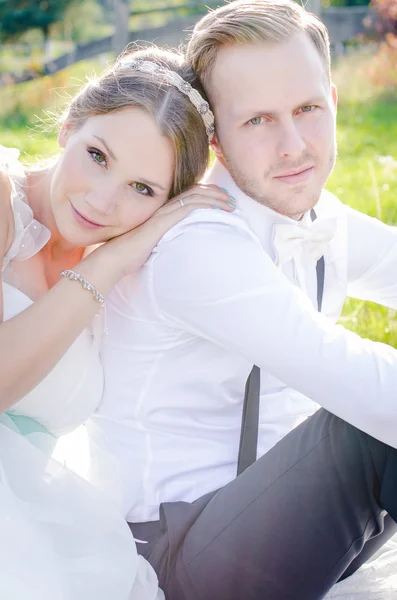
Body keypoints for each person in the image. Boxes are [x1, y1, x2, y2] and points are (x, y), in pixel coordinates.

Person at [87, 2, 397, 599]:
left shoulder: (315, 215)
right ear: (216, 141)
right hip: (175, 555)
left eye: (307, 109)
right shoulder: (197, 246)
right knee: (371, 424)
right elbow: (354, 380)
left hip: (292, 527)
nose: (293, 146)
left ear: (333, 99)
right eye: (257, 121)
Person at [0, 45, 236, 600]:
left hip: (42, 513)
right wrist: (106, 264)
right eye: (98, 156)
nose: (101, 202)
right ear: (68, 126)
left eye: (143, 189)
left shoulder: (137, 271)